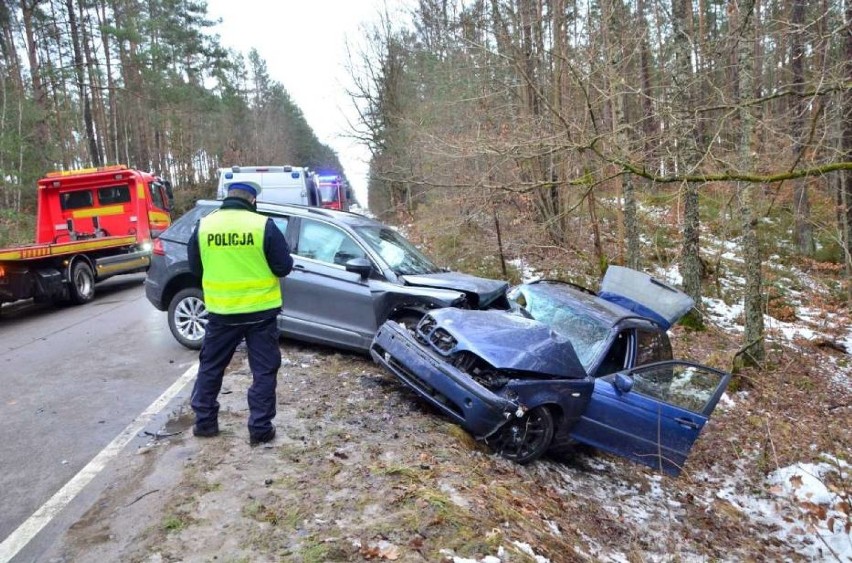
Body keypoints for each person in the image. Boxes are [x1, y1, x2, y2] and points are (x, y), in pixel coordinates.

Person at [187, 180, 293, 445]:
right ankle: (260, 428)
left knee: (211, 366)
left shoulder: (205, 225)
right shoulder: (263, 225)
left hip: (221, 312)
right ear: (252, 200)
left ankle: (205, 423)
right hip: (260, 314)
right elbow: (283, 267)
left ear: (227, 198)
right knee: (264, 371)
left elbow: (196, 268)